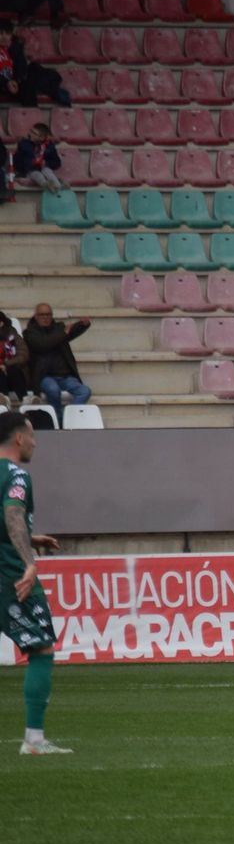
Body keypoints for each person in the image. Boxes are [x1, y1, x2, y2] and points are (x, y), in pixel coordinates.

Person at [0, 410, 68, 754]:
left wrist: (31, 536)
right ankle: (35, 740)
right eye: (32, 435)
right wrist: (29, 562)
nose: (35, 442)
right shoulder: (15, 475)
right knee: (40, 648)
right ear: (18, 438)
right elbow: (12, 512)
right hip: (10, 574)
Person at [23, 302, 91, 422]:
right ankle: (57, 420)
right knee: (53, 390)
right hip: (44, 376)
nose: (45, 317)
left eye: (48, 314)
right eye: (42, 314)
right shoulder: (29, 333)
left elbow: (71, 332)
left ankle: (66, 417)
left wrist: (83, 325)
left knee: (84, 391)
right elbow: (43, 344)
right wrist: (63, 333)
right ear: (36, 316)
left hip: (65, 376)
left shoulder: (59, 329)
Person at [0, 19, 69, 108]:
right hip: (3, 85)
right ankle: (53, 93)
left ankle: (51, 91)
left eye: (8, 34)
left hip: (14, 82)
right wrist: (6, 83)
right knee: (29, 86)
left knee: (35, 68)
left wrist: (16, 80)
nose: (4, 37)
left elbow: (22, 67)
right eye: (1, 34)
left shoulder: (14, 47)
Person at [13, 122, 67, 192]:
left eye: (34, 133)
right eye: (31, 131)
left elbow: (57, 163)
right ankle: (46, 184)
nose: (30, 134)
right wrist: (30, 163)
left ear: (41, 138)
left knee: (47, 170)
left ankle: (58, 186)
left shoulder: (49, 147)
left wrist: (46, 163)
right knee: (36, 174)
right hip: (29, 171)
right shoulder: (24, 144)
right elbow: (17, 162)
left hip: (43, 168)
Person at [0, 314, 31, 402]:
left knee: (14, 371)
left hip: (12, 372)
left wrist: (6, 364)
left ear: (1, 323)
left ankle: (26, 401)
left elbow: (23, 355)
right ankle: (3, 402)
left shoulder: (13, 336)